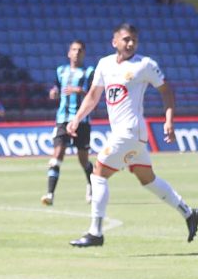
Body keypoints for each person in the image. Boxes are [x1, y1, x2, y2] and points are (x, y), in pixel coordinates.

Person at [67, 23, 198, 247]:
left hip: (130, 132)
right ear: (114, 42)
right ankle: (189, 213)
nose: (130, 44)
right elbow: (93, 96)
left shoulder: (144, 65)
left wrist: (169, 120)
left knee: (98, 174)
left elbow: (166, 91)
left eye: (134, 40)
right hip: (129, 135)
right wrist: (77, 118)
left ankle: (95, 233)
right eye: (126, 39)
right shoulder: (104, 64)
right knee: (148, 179)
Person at [41, 40, 95, 206]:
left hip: (81, 120)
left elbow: (94, 94)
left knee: (83, 160)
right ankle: (50, 194)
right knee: (57, 155)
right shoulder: (61, 71)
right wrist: (54, 93)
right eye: (74, 50)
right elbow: (56, 88)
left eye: (80, 50)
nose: (77, 53)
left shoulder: (89, 72)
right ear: (69, 53)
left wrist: (80, 91)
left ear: (84, 54)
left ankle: (91, 186)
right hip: (62, 120)